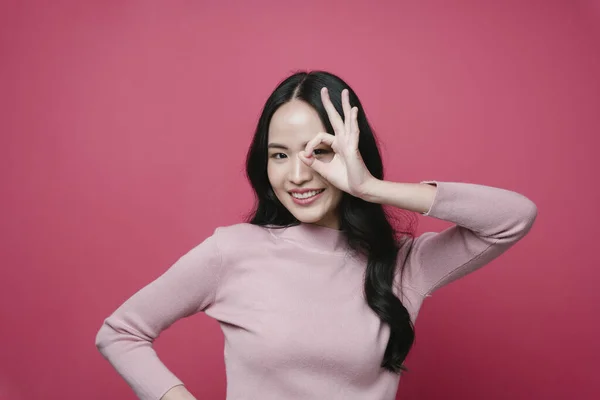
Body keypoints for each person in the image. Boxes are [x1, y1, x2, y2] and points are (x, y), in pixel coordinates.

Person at [95, 70, 538, 400]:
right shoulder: (231, 251)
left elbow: (513, 218)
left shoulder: (403, 265)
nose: (296, 174)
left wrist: (372, 188)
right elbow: (120, 333)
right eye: (279, 154)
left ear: (349, 155)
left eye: (317, 151)